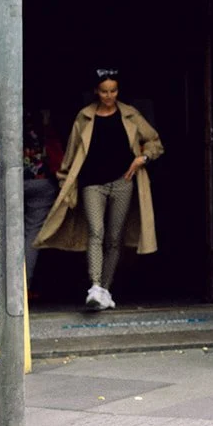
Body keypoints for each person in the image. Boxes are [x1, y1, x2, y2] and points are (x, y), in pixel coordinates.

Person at [34, 70, 164, 310]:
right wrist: (66, 184)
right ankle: (94, 286)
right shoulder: (84, 117)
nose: (109, 96)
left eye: (113, 91)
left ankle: (105, 288)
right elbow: (71, 156)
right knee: (96, 232)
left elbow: (155, 142)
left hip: (123, 181)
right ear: (96, 91)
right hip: (91, 184)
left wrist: (142, 158)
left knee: (114, 238)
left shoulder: (130, 115)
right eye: (104, 91)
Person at [22, 110, 62, 293]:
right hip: (41, 181)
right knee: (32, 234)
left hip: (8, 181)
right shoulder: (43, 125)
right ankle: (23, 287)